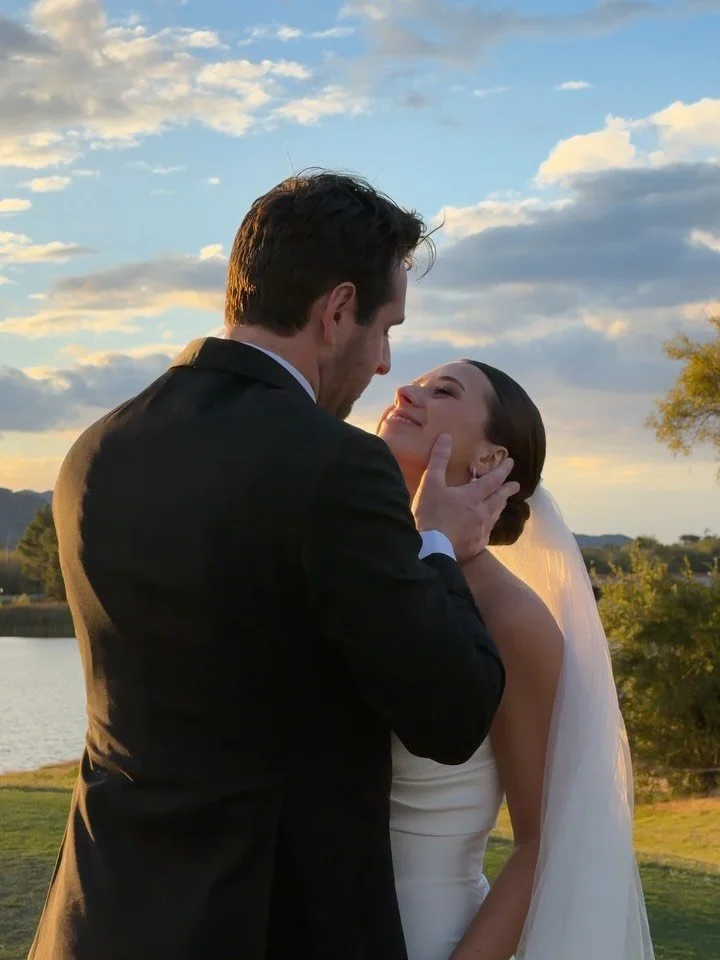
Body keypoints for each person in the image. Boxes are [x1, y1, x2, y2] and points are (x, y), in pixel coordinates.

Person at [29, 172, 517, 960]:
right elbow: (451, 713)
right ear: (335, 310)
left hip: (97, 918)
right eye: (385, 327)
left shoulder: (96, 450)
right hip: (261, 928)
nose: (387, 362)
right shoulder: (337, 467)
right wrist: (436, 544)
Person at [379, 360, 655, 960]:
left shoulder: (509, 618)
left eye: (442, 390)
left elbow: (543, 842)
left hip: (426, 936)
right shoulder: (366, 574)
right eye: (417, 382)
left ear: (490, 461)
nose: (406, 390)